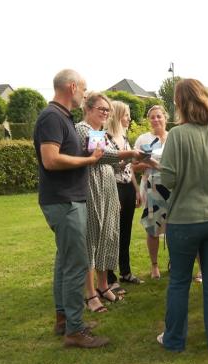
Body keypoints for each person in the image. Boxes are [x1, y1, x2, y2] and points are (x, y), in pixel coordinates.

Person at [156, 78, 208, 353]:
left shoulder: (177, 134)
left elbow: (169, 180)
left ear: (179, 103)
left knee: (179, 281)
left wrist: (160, 164)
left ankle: (174, 340)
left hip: (185, 220)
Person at [33, 69, 109, 348]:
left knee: (64, 262)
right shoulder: (52, 117)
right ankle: (75, 331)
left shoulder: (61, 118)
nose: (85, 93)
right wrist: (88, 162)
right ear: (72, 86)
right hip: (64, 201)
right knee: (76, 264)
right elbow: (51, 160)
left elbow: (62, 156)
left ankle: (64, 319)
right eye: (84, 88)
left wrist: (87, 155)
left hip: (66, 199)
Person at [75, 92, 144, 312]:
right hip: (92, 190)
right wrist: (129, 153)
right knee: (92, 241)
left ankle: (104, 287)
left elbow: (112, 162)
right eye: (101, 109)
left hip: (108, 189)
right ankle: (90, 294)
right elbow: (102, 155)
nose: (105, 113)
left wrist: (125, 160)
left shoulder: (101, 133)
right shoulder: (84, 129)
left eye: (107, 110)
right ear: (88, 109)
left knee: (108, 238)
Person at [105, 100, 143, 287]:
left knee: (126, 232)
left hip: (128, 187)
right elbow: (106, 168)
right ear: (118, 116)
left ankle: (125, 272)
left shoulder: (125, 138)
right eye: (126, 114)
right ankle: (110, 278)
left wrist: (136, 189)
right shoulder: (104, 137)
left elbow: (129, 168)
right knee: (113, 234)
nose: (129, 118)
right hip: (114, 188)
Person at [133, 105, 170, 279]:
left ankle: (175, 262)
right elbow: (133, 165)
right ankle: (154, 265)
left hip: (172, 188)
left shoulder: (173, 137)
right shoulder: (143, 139)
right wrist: (150, 164)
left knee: (174, 227)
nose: (156, 120)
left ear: (165, 118)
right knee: (152, 227)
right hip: (151, 186)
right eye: (152, 117)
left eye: (159, 116)